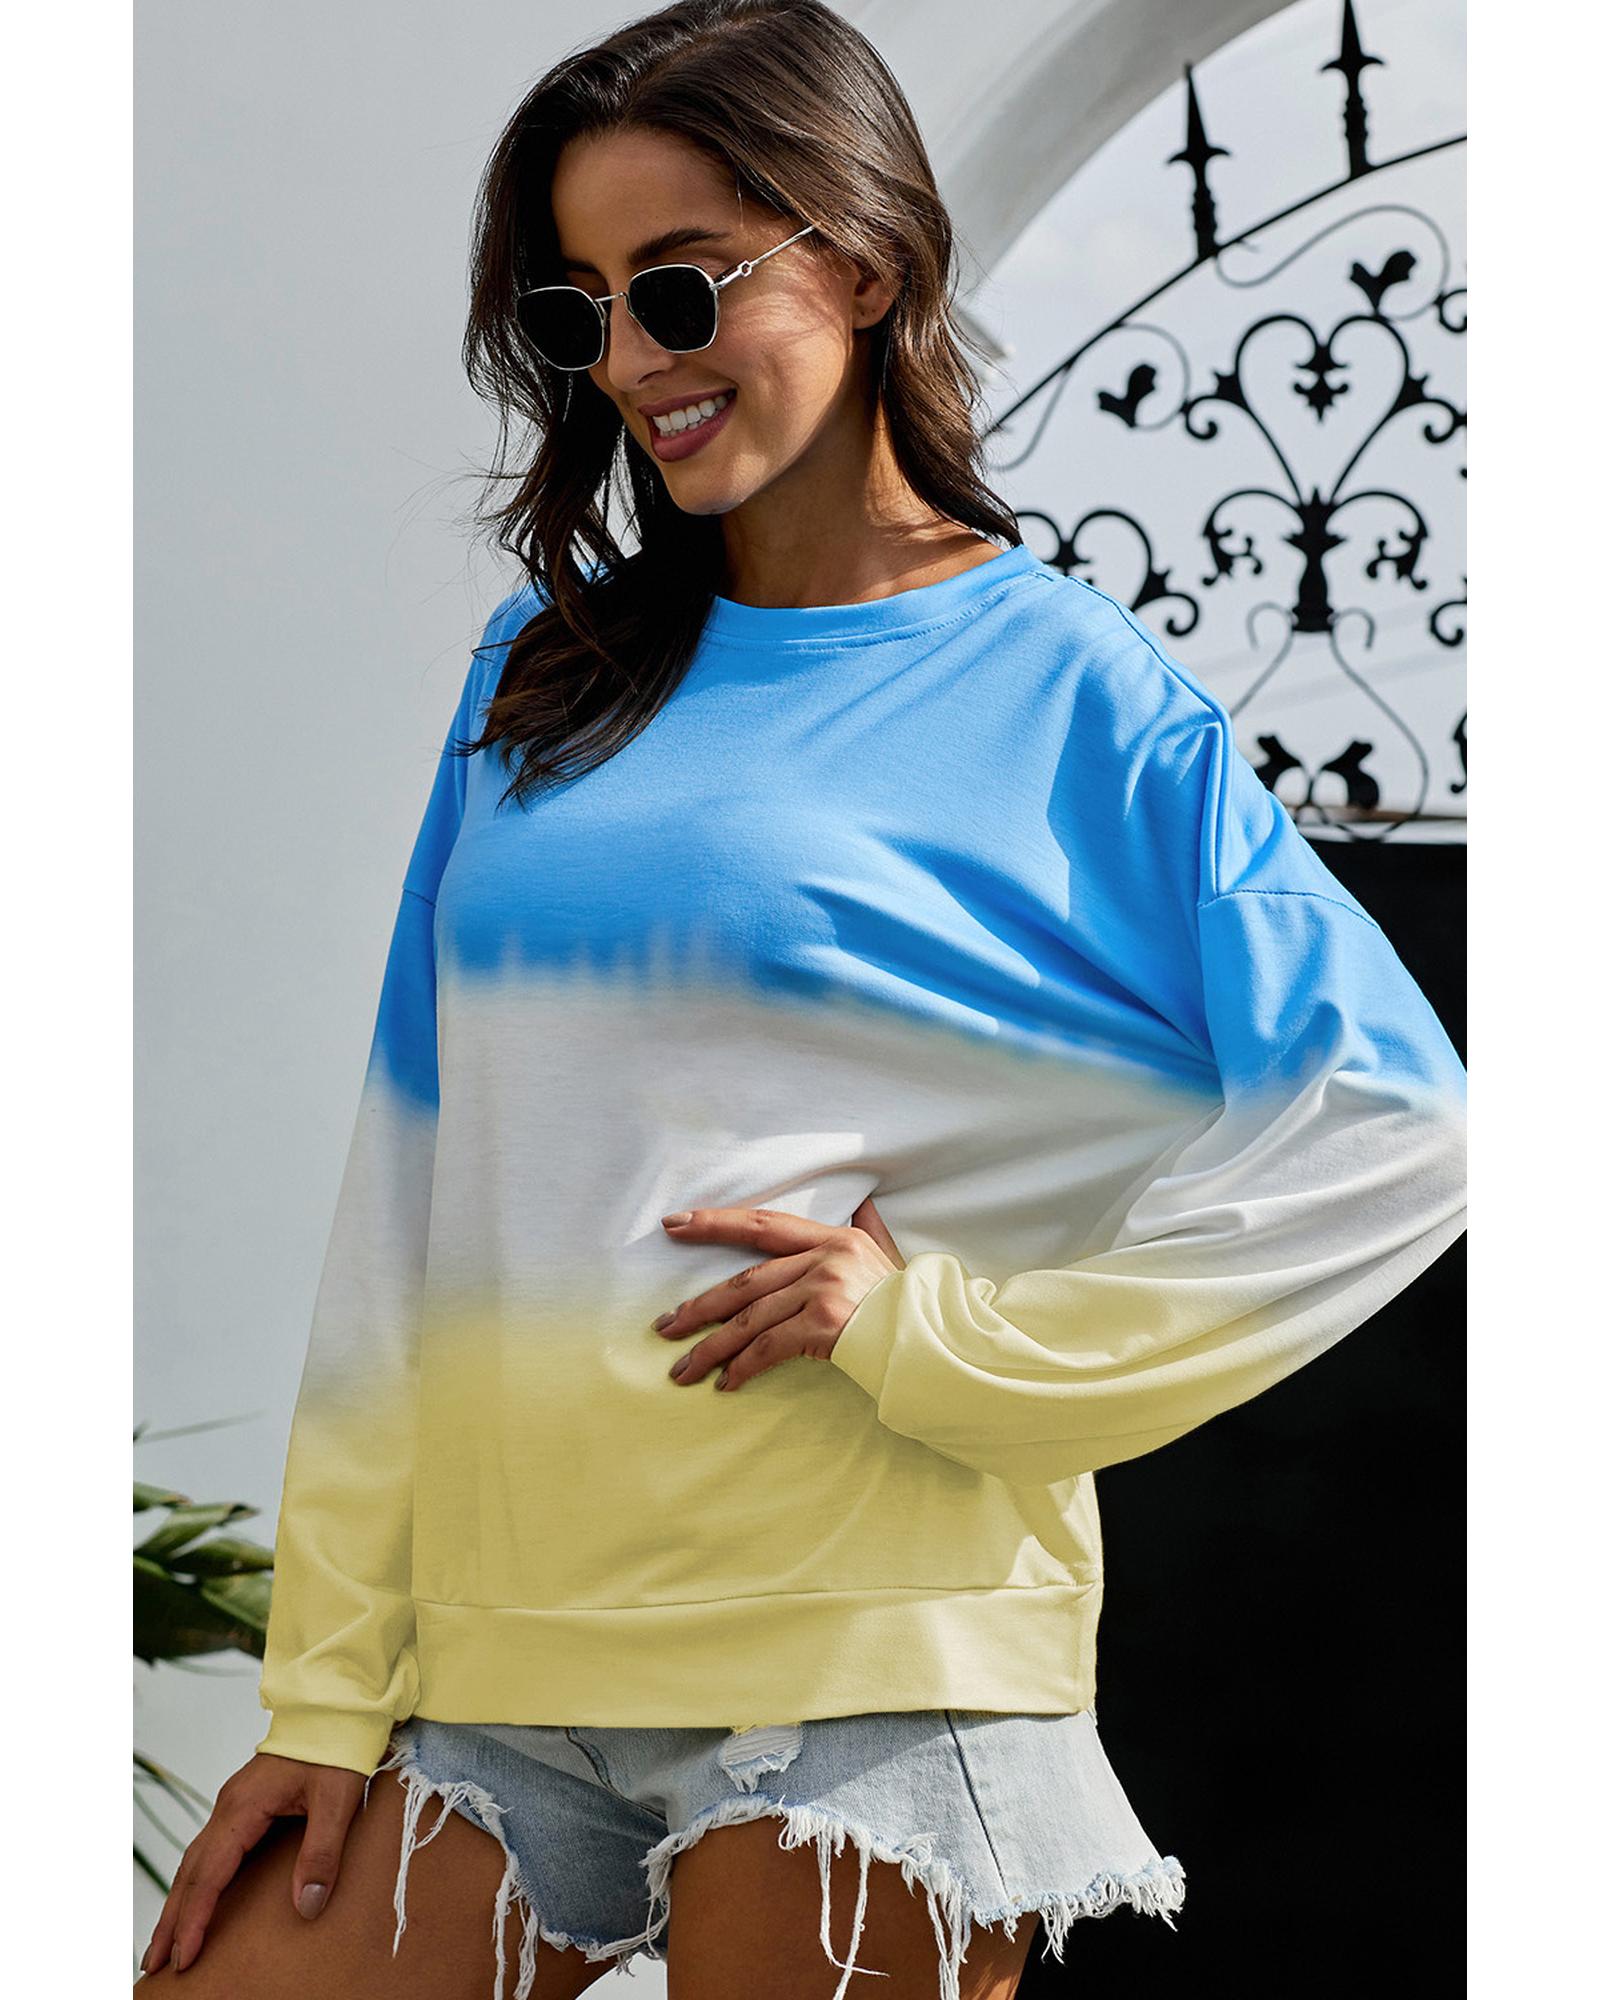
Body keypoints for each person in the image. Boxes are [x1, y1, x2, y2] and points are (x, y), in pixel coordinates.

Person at [136, 2, 1467, 1995]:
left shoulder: (1071, 693)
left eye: (678, 288)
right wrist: (327, 1689)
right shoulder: (543, 675)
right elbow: (408, 1195)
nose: (630, 362)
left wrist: (946, 1339)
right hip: (500, 1661)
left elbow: (1398, 1129)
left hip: (874, 1667)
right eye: (579, 311)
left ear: (858, 261)